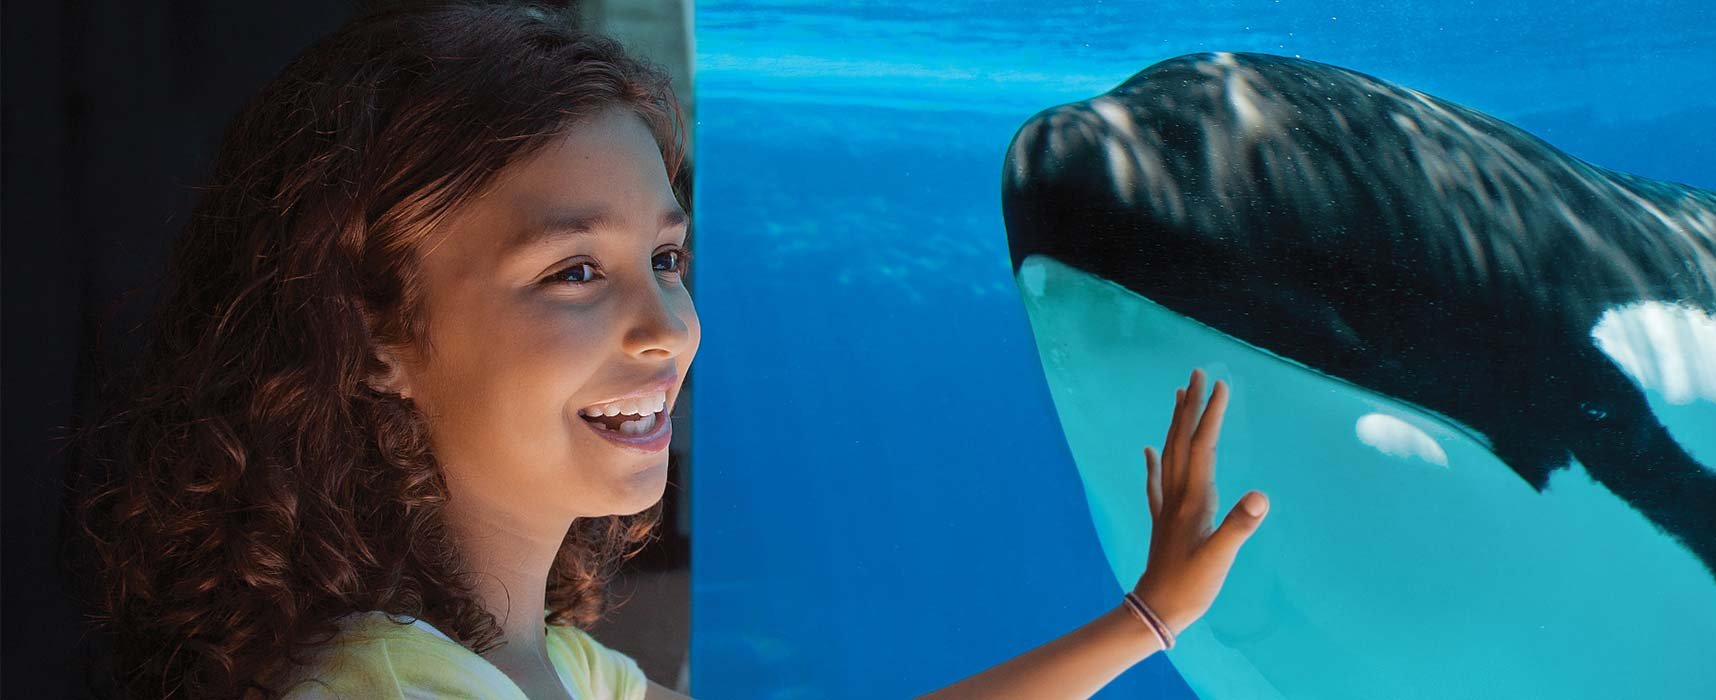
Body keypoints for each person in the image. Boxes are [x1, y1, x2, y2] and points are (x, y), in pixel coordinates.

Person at [64, 2, 1270, 698]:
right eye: (573, 271)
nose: (669, 329)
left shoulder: (554, 667)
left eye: (669, 259)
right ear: (375, 334)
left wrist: (1146, 617)